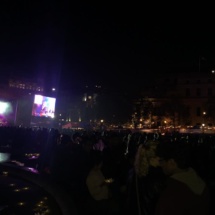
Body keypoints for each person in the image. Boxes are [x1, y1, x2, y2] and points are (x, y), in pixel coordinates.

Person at [155, 140, 210, 215]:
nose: (160, 165)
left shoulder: (172, 192)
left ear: (172, 162)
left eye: (162, 161)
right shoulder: (201, 183)